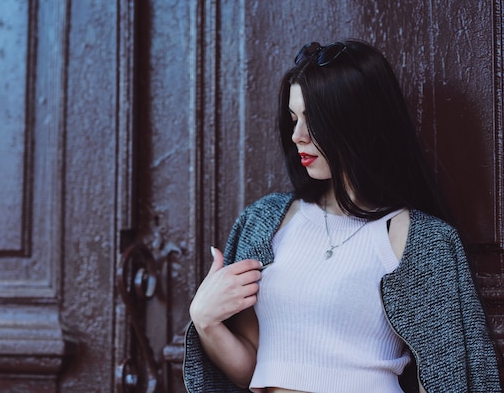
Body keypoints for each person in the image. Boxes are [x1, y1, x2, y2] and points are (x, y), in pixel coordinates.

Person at [182, 40, 501, 392]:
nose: (296, 136)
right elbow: (254, 367)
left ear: (357, 122)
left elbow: (442, 377)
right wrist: (205, 319)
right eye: (293, 118)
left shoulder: (421, 240)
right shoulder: (266, 222)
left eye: (312, 120)